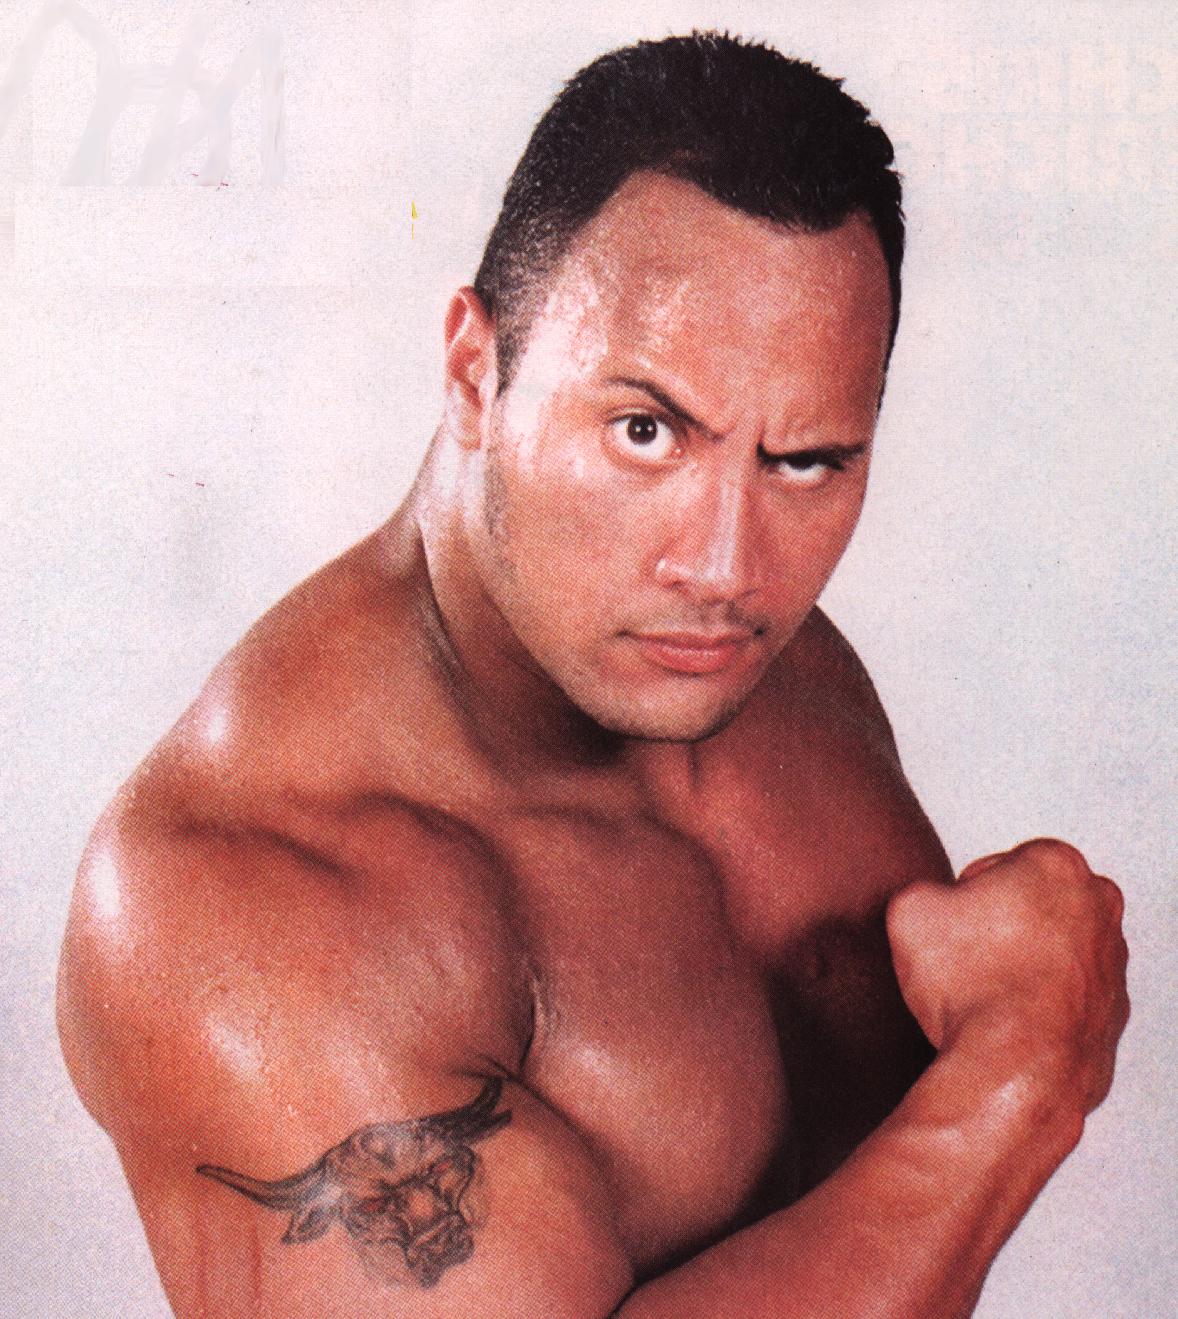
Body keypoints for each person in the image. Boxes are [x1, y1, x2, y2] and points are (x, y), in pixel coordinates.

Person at [57, 32, 1128, 1318]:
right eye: (644, 431)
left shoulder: (776, 673)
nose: (724, 566)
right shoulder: (237, 901)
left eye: (802, 460)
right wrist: (1017, 1081)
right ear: (475, 373)